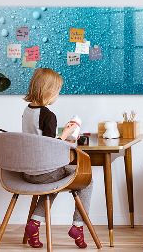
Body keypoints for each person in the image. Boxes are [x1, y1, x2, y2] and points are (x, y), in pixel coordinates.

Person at [22, 68, 92, 249]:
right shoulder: (48, 115)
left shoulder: (27, 111)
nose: (57, 95)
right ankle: (78, 226)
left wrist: (62, 135)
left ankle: (34, 224)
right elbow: (50, 147)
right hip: (45, 172)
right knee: (87, 180)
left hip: (28, 172)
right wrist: (67, 134)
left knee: (52, 183)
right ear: (48, 91)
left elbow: (39, 140)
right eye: (57, 91)